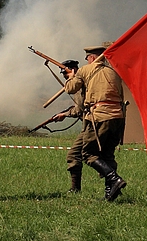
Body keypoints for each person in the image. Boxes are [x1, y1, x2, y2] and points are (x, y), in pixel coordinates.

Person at [63, 44, 127, 201]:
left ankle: (114, 179)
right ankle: (110, 194)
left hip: (99, 117)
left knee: (88, 154)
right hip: (118, 117)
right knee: (107, 155)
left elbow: (70, 89)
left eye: (87, 58)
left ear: (92, 58)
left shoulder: (85, 70)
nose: (86, 61)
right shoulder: (115, 72)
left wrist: (72, 76)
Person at [49, 59, 87, 193]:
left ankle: (75, 189)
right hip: (91, 123)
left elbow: (80, 109)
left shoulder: (78, 83)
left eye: (66, 74)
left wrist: (65, 114)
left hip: (91, 125)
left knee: (74, 155)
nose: (65, 77)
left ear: (73, 71)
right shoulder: (83, 80)